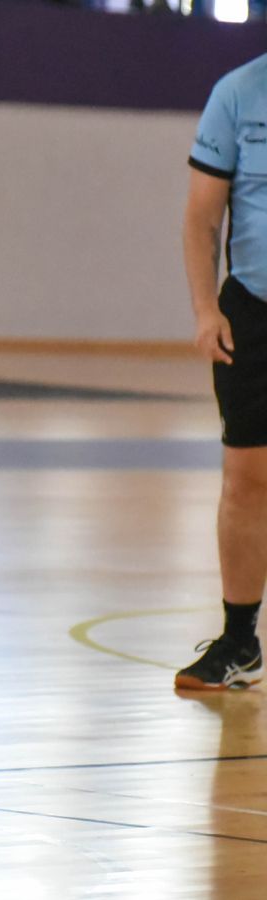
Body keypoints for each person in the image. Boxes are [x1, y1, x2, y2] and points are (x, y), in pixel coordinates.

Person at [176, 52, 267, 691]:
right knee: (246, 476)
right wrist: (206, 308)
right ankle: (240, 640)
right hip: (254, 311)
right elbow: (202, 216)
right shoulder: (237, 93)